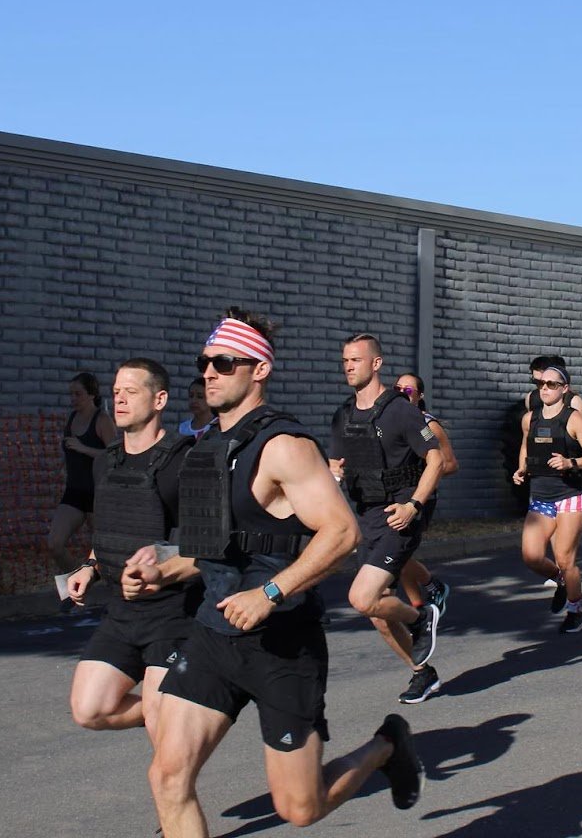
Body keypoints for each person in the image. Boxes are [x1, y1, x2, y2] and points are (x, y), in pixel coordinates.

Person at [124, 309, 423, 836]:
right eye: (204, 364)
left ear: (258, 369)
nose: (208, 373)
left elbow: (342, 533)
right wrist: (162, 573)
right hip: (214, 636)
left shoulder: (285, 446)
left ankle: (387, 746)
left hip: (281, 643)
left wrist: (270, 592)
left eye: (222, 362)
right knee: (167, 778)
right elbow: (211, 549)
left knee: (300, 809)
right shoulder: (210, 446)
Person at [67, 358, 198, 744]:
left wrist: (159, 565)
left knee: (164, 743)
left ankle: (172, 713)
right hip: (122, 611)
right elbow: (109, 527)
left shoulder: (185, 460)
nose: (119, 400)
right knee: (89, 709)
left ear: (159, 400)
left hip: (174, 613)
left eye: (131, 392)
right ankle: (179, 710)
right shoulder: (106, 461)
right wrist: (89, 566)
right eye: (116, 392)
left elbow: (206, 546)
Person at [330, 335, 446, 706]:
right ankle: (421, 673)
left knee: (362, 598)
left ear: (376, 364)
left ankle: (420, 617)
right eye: (345, 360)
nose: (349, 366)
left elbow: (437, 459)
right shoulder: (344, 415)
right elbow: (338, 465)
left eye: (356, 360)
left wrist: (414, 504)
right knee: (378, 611)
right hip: (367, 515)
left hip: (400, 514)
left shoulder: (401, 411)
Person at [513, 362, 582, 633]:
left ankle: (575, 611)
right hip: (540, 495)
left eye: (552, 384)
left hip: (570, 495)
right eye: (541, 384)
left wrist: (569, 463)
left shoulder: (573, 418)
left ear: (565, 389)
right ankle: (561, 581)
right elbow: (525, 446)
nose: (545, 389)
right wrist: (522, 469)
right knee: (531, 556)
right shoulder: (530, 418)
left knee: (565, 558)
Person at [395, 373, 458, 625]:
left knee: (397, 552)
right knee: (398, 555)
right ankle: (419, 608)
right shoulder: (392, 421)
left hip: (420, 498)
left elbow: (450, 464)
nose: (401, 394)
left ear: (419, 396)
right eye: (397, 389)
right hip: (396, 496)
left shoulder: (427, 426)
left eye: (407, 390)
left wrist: (424, 472)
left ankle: (434, 586)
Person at [48, 372, 116, 573]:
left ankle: (118, 591)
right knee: (54, 544)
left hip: (98, 493)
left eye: (78, 394)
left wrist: (83, 448)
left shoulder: (102, 419)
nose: (73, 399)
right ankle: (75, 581)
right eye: (71, 394)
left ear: (92, 394)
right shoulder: (72, 419)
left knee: (106, 553)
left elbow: (115, 454)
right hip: (75, 491)